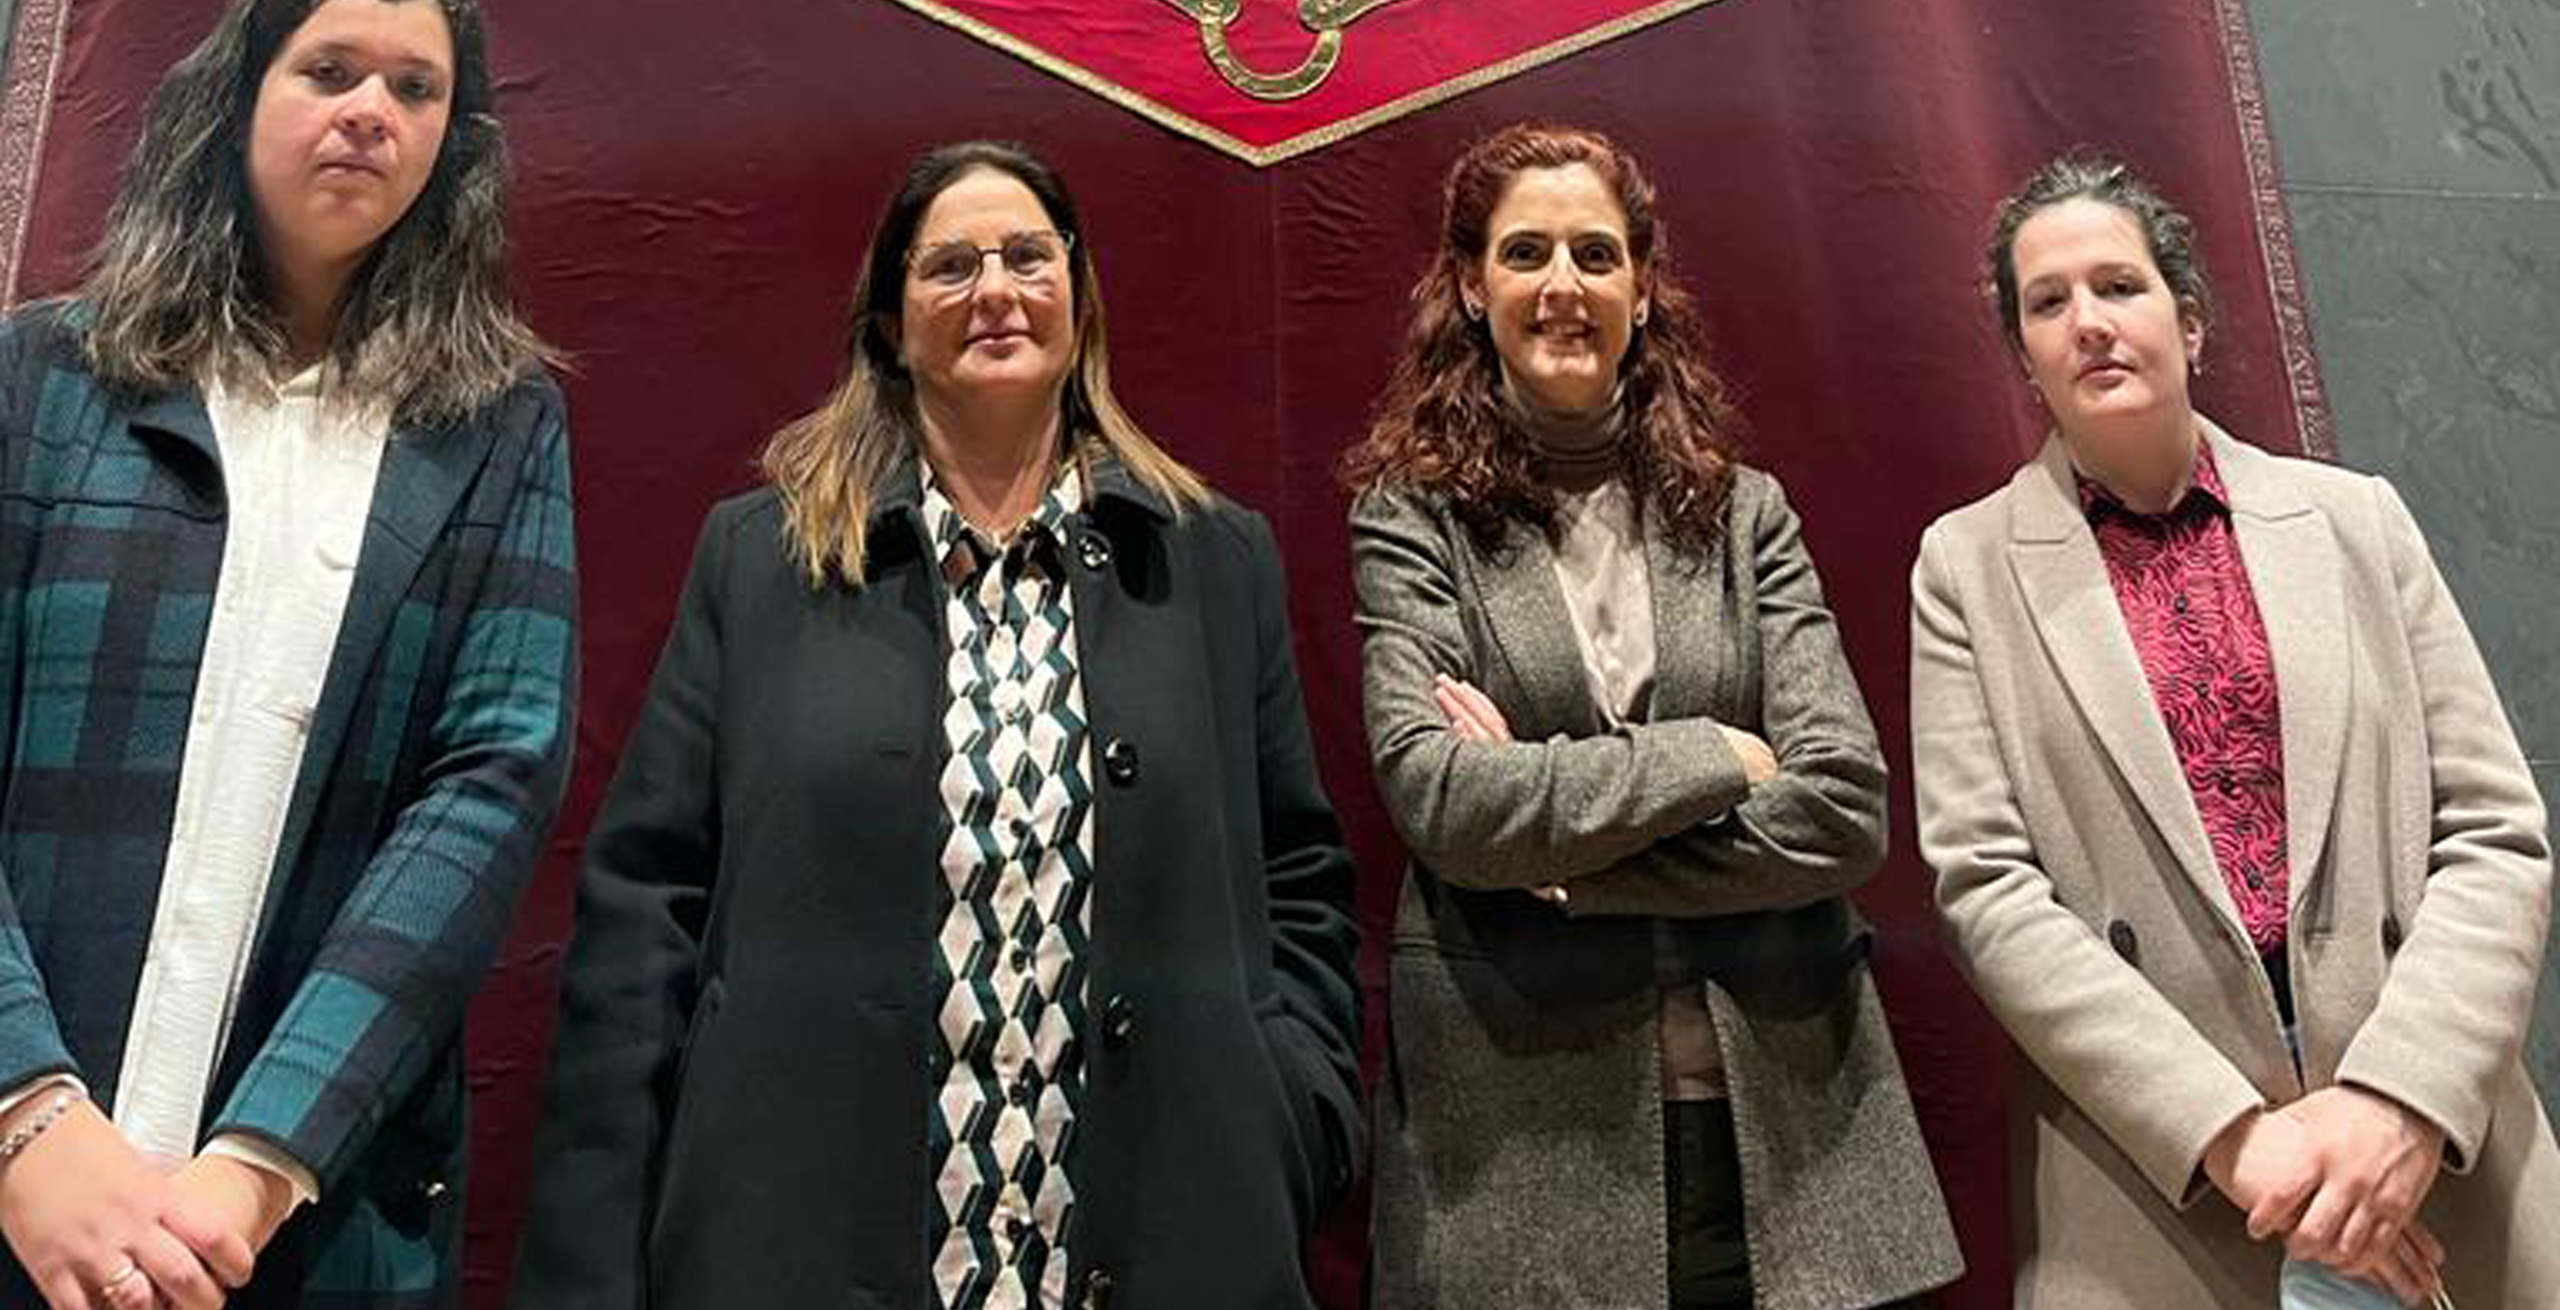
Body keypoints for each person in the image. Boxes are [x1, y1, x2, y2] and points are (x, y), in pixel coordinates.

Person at [514, 139, 1362, 1310]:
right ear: (889, 325)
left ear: (1078, 296)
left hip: (1163, 1233)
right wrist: (596, 1251)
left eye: (1027, 255)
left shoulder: (1214, 560)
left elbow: (1299, 877)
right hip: (798, 1235)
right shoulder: (760, 563)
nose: (997, 290)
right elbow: (644, 912)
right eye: (950, 266)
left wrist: (1292, 1109)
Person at [0, 0, 577, 1310]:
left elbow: (489, 787)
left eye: (417, 89)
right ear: (239, 97)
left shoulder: (497, 428)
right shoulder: (45, 375)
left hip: (294, 1218)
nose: (371, 111)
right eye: (330, 68)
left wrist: (257, 1160)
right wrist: (25, 1105)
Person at [1909, 152, 2560, 1308]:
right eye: (2047, 303)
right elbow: (1987, 890)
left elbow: (2495, 831)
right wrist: (2229, 1137)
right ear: (2022, 356)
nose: (2088, 323)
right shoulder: (1963, 570)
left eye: (2119, 285)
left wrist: (2396, 1104)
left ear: (2189, 321)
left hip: (2427, 1151)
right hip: (2164, 1181)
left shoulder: (2356, 521)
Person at [1346, 122, 1960, 1310]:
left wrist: (1570, 858)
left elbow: (1844, 812)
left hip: (1786, 1142)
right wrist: (1716, 755)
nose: (1562, 286)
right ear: (1471, 288)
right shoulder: (1408, 520)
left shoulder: (1746, 516)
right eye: (1526, 254)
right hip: (1525, 1152)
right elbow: (1446, 806)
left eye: (1594, 253)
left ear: (1640, 283)